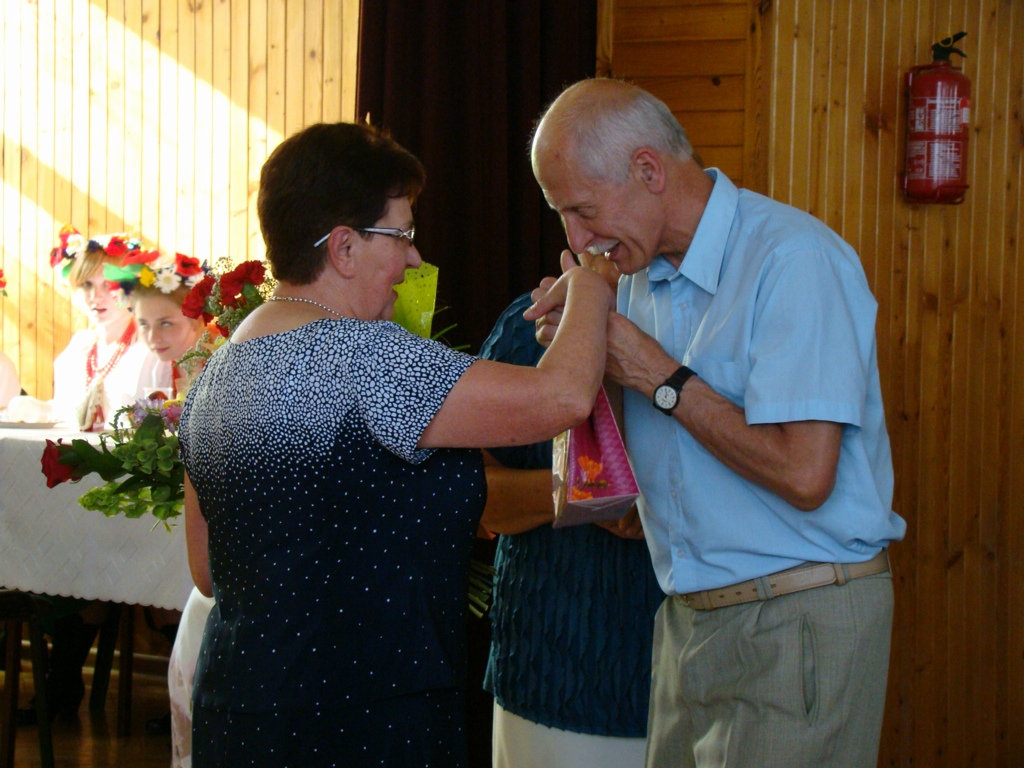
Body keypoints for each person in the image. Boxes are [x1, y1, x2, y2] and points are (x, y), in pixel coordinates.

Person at [177, 121, 614, 768]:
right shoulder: (364, 357)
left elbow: (209, 573)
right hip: (362, 716)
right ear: (344, 248)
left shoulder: (215, 375)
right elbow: (563, 399)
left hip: (244, 709)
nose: (413, 259)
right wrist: (592, 288)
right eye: (402, 235)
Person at [529, 79, 907, 768]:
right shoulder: (634, 277)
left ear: (649, 170)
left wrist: (656, 374)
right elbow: (618, 505)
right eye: (563, 218)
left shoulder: (793, 259)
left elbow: (804, 475)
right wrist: (579, 345)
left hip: (799, 615)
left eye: (583, 211)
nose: (577, 239)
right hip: (686, 620)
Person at [480, 261, 663, 768]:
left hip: (680, 669)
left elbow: (634, 517)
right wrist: (578, 490)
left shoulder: (692, 334)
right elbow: (479, 496)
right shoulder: (525, 324)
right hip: (545, 662)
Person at [7, 229, 168, 429]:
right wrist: (37, 408)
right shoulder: (78, 347)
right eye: (86, 285)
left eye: (107, 285)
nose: (95, 296)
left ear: (131, 288)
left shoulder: (150, 350)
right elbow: (63, 412)